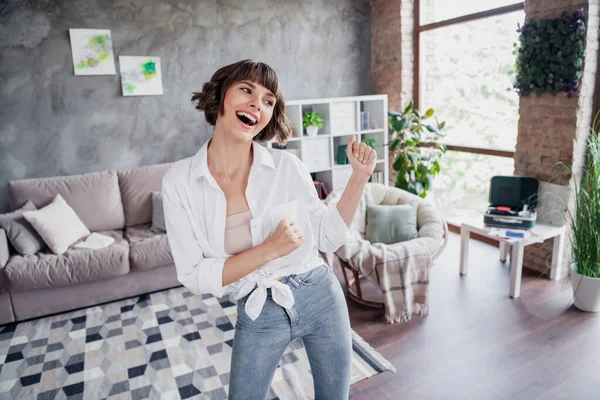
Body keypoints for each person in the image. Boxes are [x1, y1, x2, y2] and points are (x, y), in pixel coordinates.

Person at [162, 59, 377, 400]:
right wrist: (269, 250)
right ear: (220, 96)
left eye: (267, 100)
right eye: (246, 90)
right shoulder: (180, 182)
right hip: (258, 305)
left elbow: (327, 237)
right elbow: (193, 273)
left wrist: (359, 178)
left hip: (319, 292)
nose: (256, 104)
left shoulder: (287, 167)